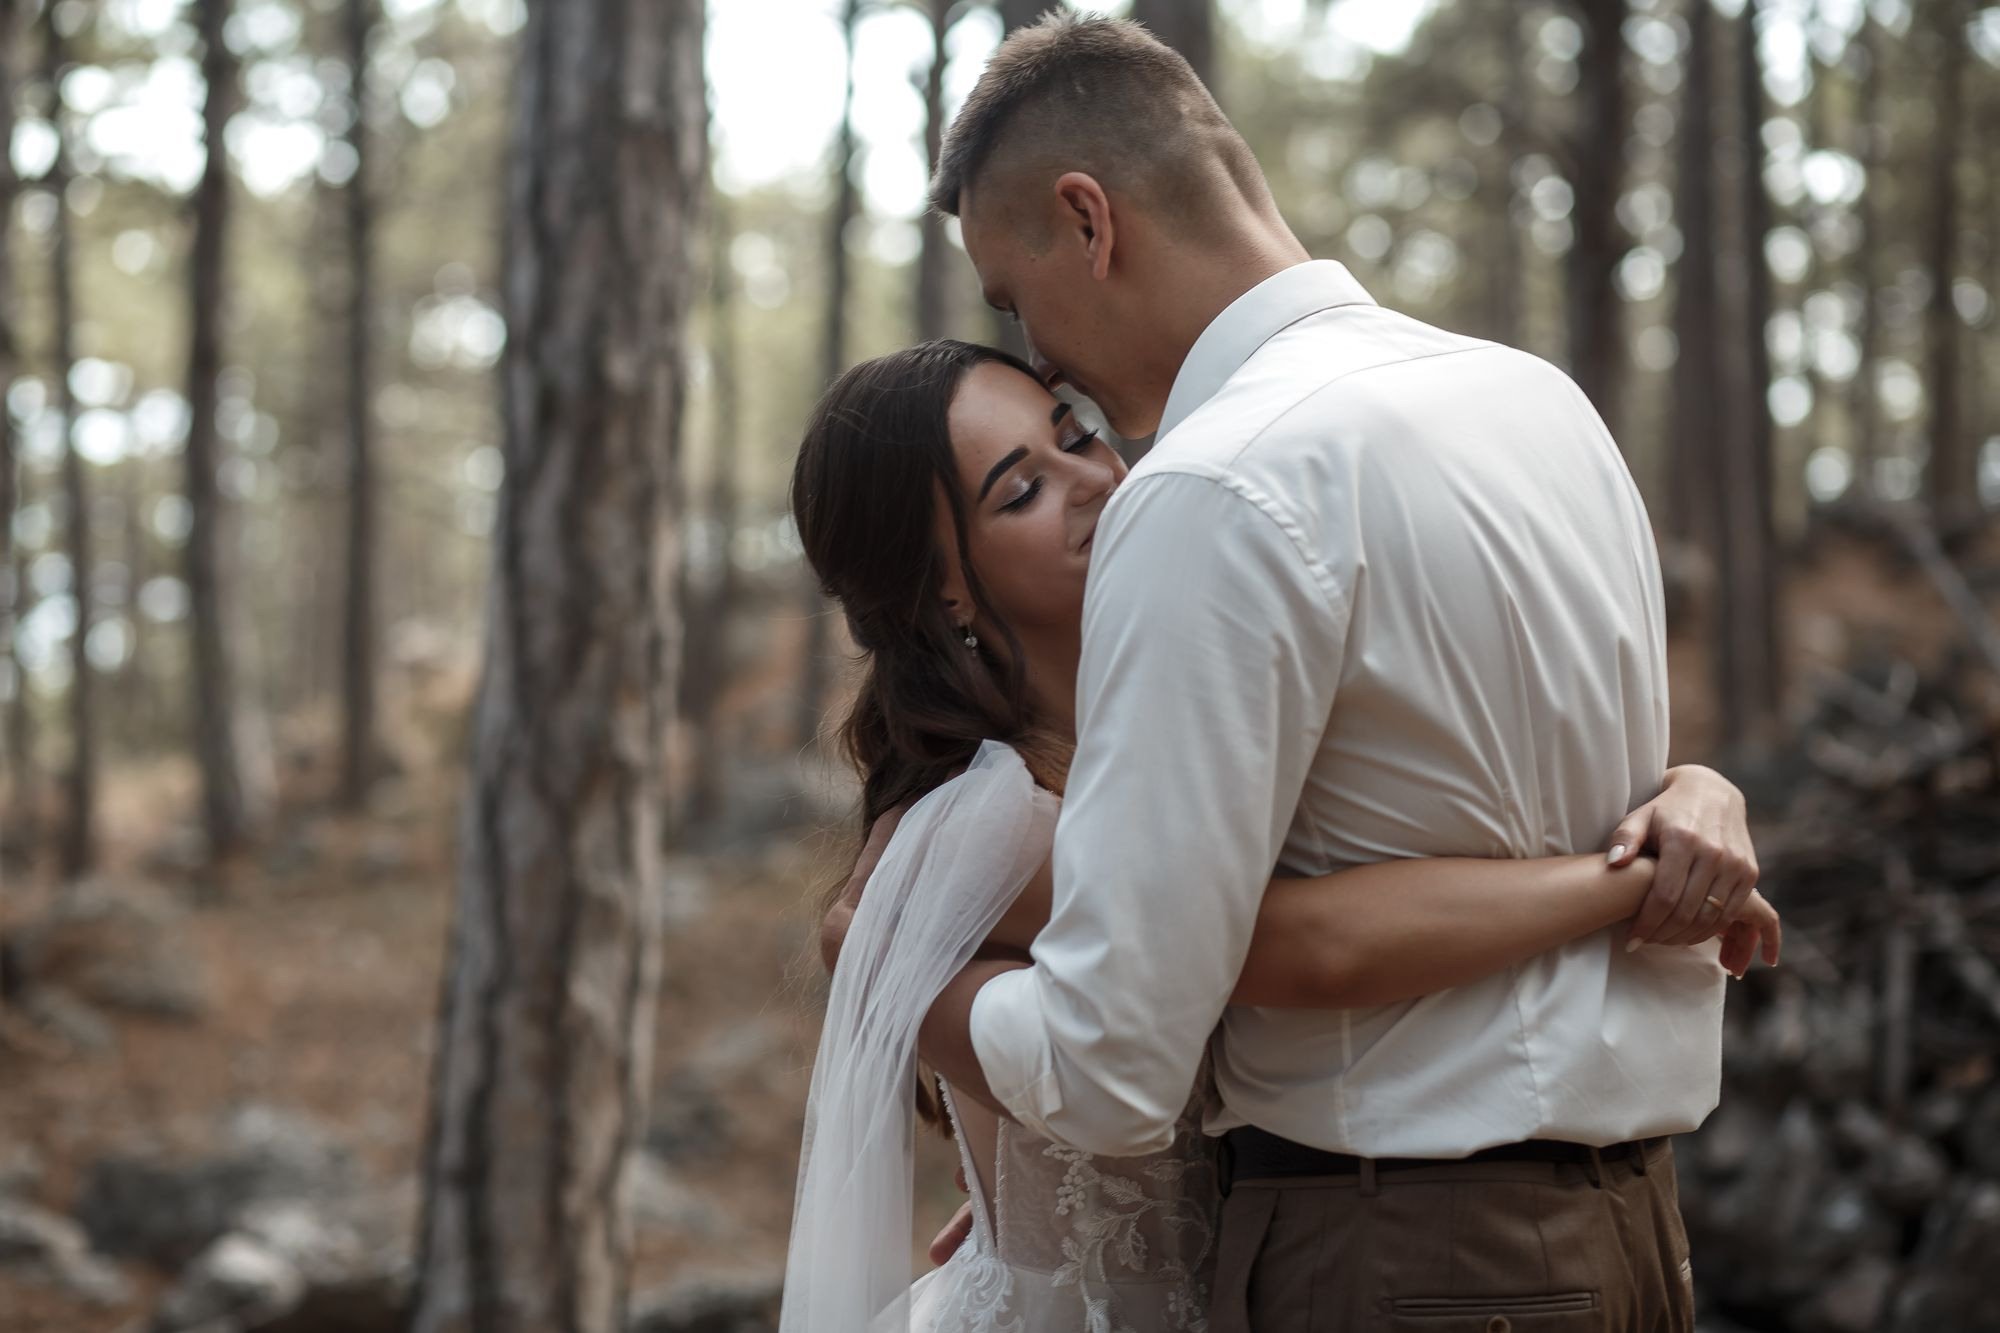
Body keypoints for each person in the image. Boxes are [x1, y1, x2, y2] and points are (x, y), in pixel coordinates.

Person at [895, 14, 1758, 1332]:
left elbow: (1111, 1061)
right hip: (1639, 1236)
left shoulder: (1213, 483)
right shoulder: (1541, 405)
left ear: (1088, 219)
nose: (1039, 356)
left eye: (1015, 299)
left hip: (1403, 1259)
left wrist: (912, 984)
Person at [780, 341, 1777, 1331]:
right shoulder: (999, 824)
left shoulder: (1202, 740)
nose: (1092, 480)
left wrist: (1693, 790)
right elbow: (1310, 945)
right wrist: (1634, 877)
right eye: (1022, 490)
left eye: (1074, 436)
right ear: (940, 590)